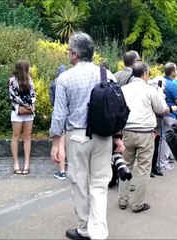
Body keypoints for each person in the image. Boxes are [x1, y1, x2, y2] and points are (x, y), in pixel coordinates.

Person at [50, 32, 124, 240]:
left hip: (77, 136)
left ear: (75, 54)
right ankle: (99, 233)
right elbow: (116, 108)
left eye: (68, 51)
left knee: (79, 183)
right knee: (100, 184)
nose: (67, 53)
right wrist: (117, 137)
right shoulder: (107, 75)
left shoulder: (64, 78)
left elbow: (59, 114)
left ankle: (83, 229)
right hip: (103, 136)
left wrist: (56, 143)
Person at [118, 62, 169, 212]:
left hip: (127, 131)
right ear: (145, 74)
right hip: (145, 133)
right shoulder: (150, 90)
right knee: (143, 169)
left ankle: (122, 200)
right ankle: (138, 204)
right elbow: (162, 109)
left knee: (125, 166)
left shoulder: (123, 89)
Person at [8, 60, 36, 175]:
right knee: (15, 136)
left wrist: (30, 104)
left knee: (27, 137)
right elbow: (13, 97)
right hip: (17, 111)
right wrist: (27, 104)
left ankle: (27, 162)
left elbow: (34, 95)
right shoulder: (12, 81)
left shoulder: (30, 80)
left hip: (29, 112)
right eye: (28, 67)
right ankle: (15, 162)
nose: (30, 68)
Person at [49, 64, 68, 180]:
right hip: (70, 115)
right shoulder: (69, 81)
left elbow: (52, 101)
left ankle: (62, 171)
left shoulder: (53, 83)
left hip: (58, 113)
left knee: (60, 144)